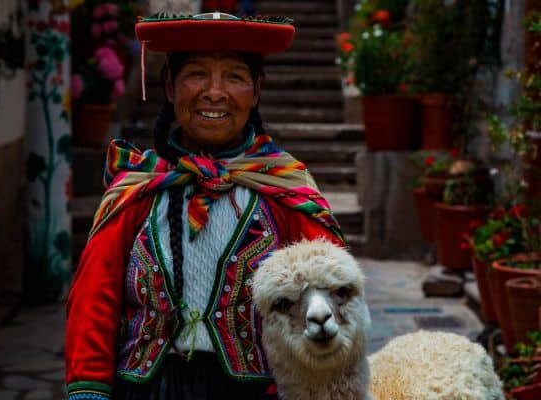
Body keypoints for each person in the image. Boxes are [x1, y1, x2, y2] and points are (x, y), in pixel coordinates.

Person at [65, 11, 346, 400]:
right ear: (168, 85)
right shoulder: (140, 189)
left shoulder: (286, 189)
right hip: (145, 391)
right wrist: (89, 389)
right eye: (196, 73)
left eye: (234, 76)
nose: (215, 92)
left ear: (257, 90)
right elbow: (95, 299)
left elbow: (337, 292)